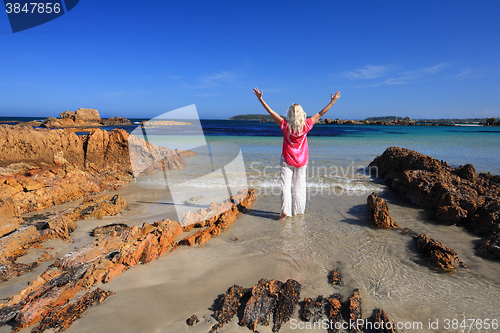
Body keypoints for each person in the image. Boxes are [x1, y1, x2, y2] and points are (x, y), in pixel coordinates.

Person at [253, 87, 341, 220]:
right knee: (299, 187)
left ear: (290, 114)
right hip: (302, 161)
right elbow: (321, 113)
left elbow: (271, 112)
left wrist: (260, 99)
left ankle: (284, 211)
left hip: (287, 159)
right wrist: (332, 102)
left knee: (285, 186)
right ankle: (296, 212)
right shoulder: (306, 125)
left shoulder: (285, 125)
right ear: (301, 114)